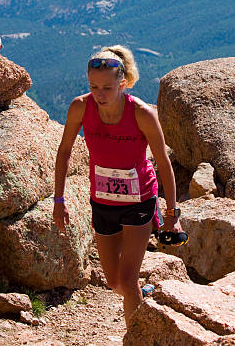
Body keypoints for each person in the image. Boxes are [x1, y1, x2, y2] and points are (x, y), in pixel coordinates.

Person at [53, 45, 184, 328]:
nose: (99, 95)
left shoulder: (141, 113)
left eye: (107, 88)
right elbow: (63, 152)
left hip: (139, 201)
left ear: (122, 84)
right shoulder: (80, 107)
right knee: (113, 281)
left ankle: (136, 334)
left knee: (127, 279)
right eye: (93, 87)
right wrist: (58, 200)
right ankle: (141, 296)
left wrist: (172, 214)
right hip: (102, 202)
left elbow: (163, 161)